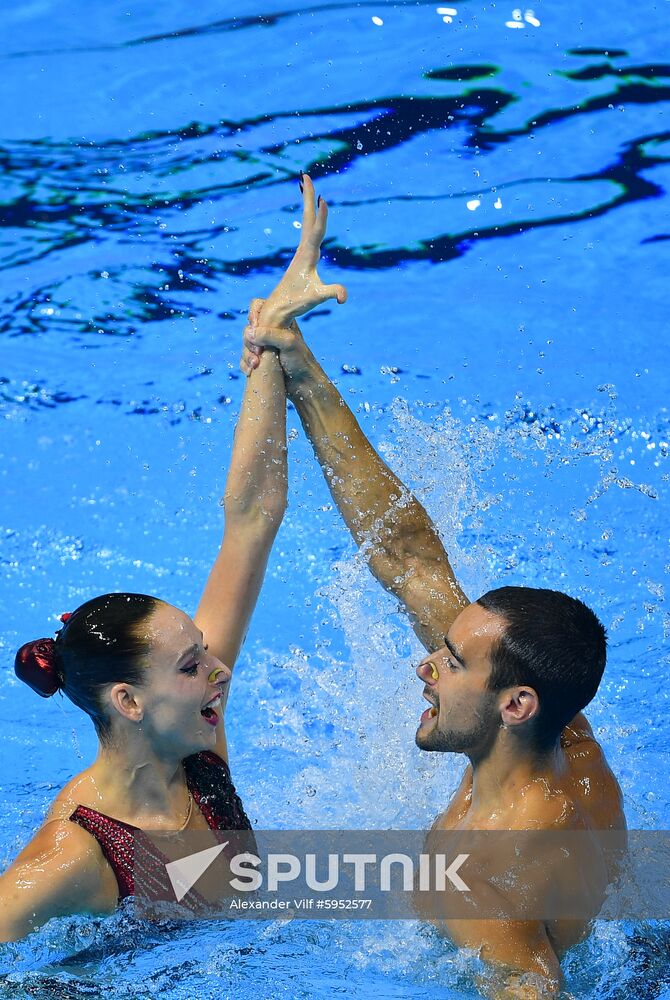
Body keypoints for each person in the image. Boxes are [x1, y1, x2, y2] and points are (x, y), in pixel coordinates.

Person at [240, 177, 626, 998]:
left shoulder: (488, 880)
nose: (425, 663)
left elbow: (533, 986)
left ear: (515, 702)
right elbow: (408, 555)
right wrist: (300, 369)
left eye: (450, 661)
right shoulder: (559, 729)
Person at [0, 175, 346, 941]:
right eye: (191, 664)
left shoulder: (194, 743)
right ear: (129, 701)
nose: (219, 668)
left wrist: (272, 344)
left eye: (203, 655)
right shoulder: (78, 849)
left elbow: (252, 520)